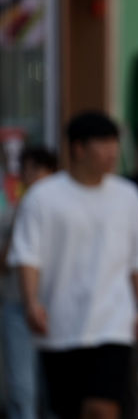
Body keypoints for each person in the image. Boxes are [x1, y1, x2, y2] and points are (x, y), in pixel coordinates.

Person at [10, 111, 138, 419]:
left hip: (114, 324)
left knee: (102, 409)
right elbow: (27, 256)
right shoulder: (42, 197)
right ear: (78, 148)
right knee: (68, 410)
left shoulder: (128, 197)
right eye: (102, 144)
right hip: (60, 325)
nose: (112, 152)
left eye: (114, 144)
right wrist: (32, 302)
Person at [1, 147, 57, 419]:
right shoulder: (17, 210)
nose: (30, 177)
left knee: (55, 393)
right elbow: (6, 262)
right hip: (17, 306)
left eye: (37, 170)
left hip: (56, 306)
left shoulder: (63, 209)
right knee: (22, 390)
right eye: (26, 170)